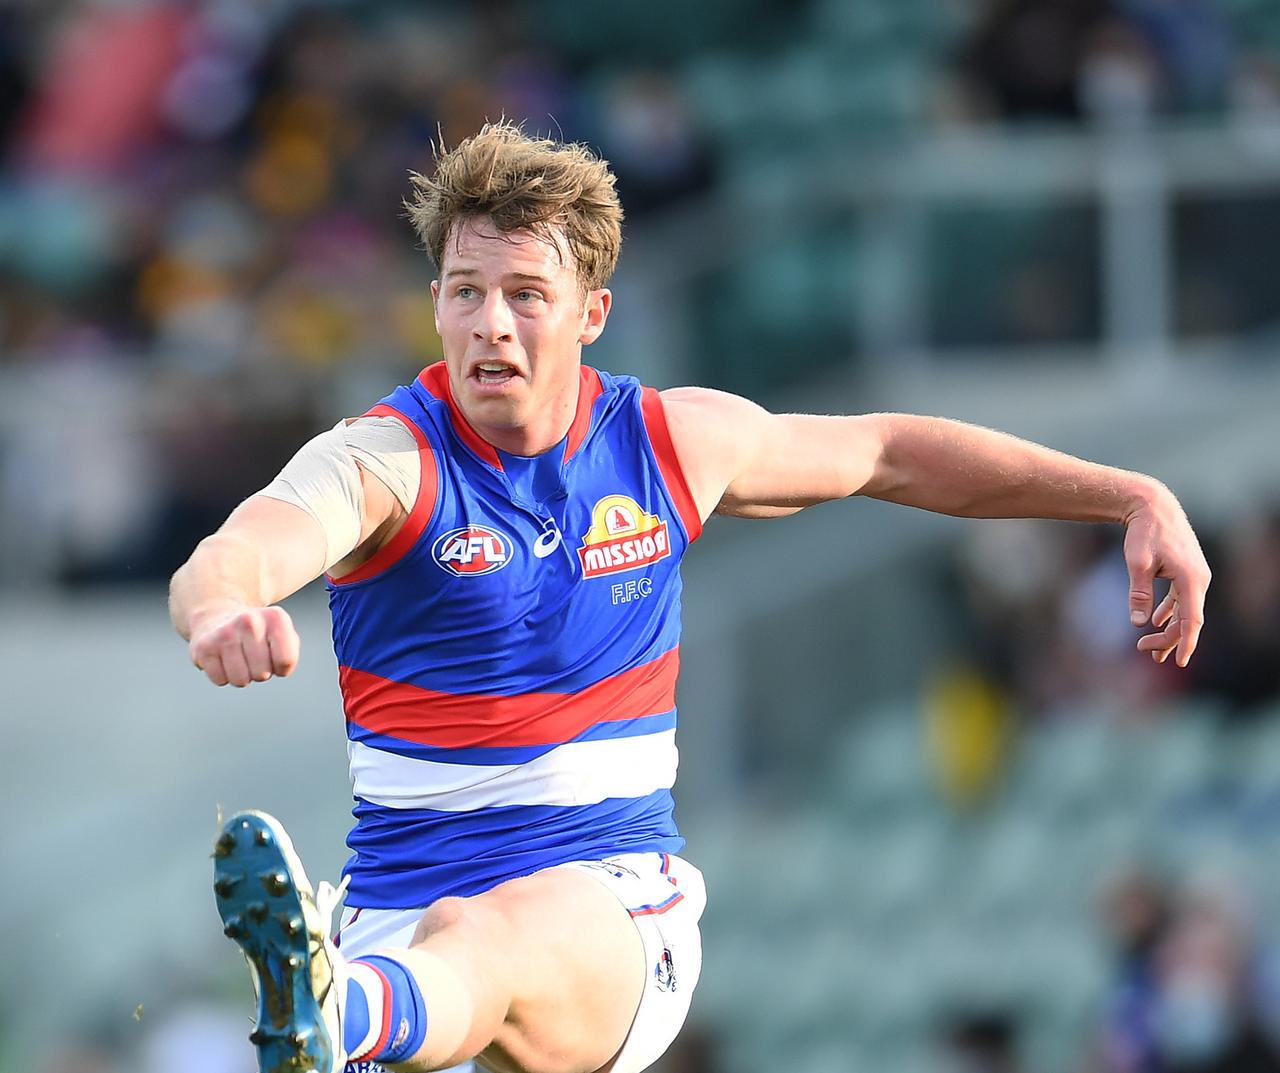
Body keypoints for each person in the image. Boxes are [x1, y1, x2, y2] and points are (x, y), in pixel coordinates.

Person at [168, 121, 1211, 1073]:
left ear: (591, 312)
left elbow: (887, 451)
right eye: (463, 289)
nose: (490, 324)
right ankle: (340, 1005)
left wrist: (1127, 492)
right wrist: (223, 608)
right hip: (395, 935)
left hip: (610, 913)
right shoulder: (384, 459)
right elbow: (245, 545)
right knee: (450, 935)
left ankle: (338, 1017)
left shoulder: (668, 442)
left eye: (525, 293)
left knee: (491, 933)